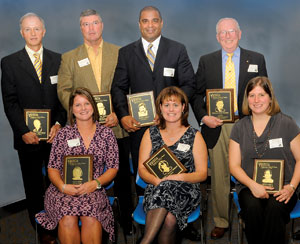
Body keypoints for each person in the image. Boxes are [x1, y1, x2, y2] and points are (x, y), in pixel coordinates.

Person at [111, 6, 197, 239]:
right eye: (145, 21)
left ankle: (181, 223)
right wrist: (123, 116)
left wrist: (171, 106)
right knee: (145, 178)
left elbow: (189, 84)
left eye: (155, 21)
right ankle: (149, 225)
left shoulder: (177, 50)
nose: (150, 25)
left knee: (177, 172)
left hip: (173, 128)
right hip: (140, 130)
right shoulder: (126, 52)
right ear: (139, 24)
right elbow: (118, 88)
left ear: (162, 23)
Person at [190, 17, 268, 239]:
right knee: (221, 175)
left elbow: (264, 92)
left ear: (239, 34)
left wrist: (258, 118)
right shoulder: (207, 61)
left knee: (253, 170)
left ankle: (254, 214)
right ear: (217, 37)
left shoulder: (257, 59)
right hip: (218, 127)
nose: (227, 36)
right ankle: (221, 221)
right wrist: (204, 117)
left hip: (248, 125)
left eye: (231, 31)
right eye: (223, 33)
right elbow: (196, 95)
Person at [57, 9, 133, 234]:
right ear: (81, 28)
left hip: (116, 125)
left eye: (95, 23)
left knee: (120, 177)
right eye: (85, 24)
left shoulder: (120, 52)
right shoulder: (69, 57)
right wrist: (85, 114)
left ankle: (126, 219)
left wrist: (119, 113)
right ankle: (92, 213)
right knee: (87, 175)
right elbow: (64, 91)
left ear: (102, 25)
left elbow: (128, 87)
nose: (91, 28)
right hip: (84, 130)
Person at [1, 12, 66, 244]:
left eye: (37, 28)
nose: (33, 33)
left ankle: (59, 221)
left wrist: (59, 124)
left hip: (54, 137)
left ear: (44, 31)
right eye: (28, 29)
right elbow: (10, 103)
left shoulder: (59, 60)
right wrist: (23, 131)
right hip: (27, 138)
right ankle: (43, 230)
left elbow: (63, 99)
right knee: (33, 185)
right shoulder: (9, 63)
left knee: (55, 182)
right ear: (22, 33)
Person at [35, 87, 119, 243]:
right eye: (78, 105)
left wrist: (95, 183)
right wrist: (63, 187)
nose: (83, 108)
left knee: (91, 216)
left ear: (93, 106)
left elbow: (113, 167)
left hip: (93, 187)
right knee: (67, 218)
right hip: (62, 189)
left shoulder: (107, 134)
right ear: (72, 110)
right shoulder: (63, 134)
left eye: (86, 103)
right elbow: (52, 168)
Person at [229, 76, 300, 244]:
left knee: (274, 209)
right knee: (253, 209)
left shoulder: (287, 123)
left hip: (284, 186)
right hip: (248, 185)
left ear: (270, 98)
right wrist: (253, 185)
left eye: (261, 95)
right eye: (252, 95)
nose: (256, 100)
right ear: (247, 99)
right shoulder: (239, 127)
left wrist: (291, 187)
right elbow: (233, 165)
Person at [138, 86, 207, 244]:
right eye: (166, 105)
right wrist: (157, 181)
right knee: (169, 219)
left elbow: (202, 174)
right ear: (160, 108)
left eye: (175, 105)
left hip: (186, 190)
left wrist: (176, 177)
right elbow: (141, 169)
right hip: (156, 189)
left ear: (183, 107)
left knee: (167, 185)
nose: (171, 109)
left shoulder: (195, 136)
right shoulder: (150, 133)